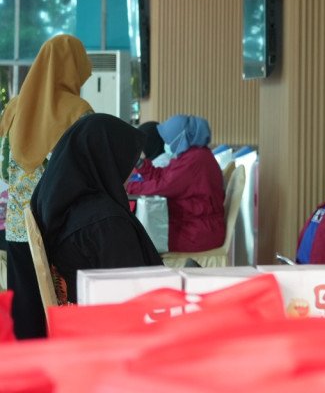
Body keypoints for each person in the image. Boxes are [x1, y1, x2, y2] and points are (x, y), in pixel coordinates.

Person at [18, 114, 163, 338]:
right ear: (107, 159)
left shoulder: (62, 202)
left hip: (84, 322)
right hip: (114, 335)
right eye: (126, 159)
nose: (131, 171)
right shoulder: (104, 223)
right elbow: (134, 295)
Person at [0, 34, 92, 339]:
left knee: (24, 310)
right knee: (62, 308)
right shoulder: (77, 111)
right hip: (60, 229)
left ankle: (27, 364)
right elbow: (86, 172)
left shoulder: (15, 107)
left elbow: (4, 168)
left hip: (18, 227)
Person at [126, 115, 225, 252]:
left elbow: (163, 186)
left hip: (198, 231)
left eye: (169, 139)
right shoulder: (194, 155)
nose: (167, 143)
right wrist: (141, 164)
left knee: (140, 239)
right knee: (139, 234)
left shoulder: (194, 160)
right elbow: (164, 176)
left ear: (181, 137)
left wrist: (128, 187)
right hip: (197, 225)